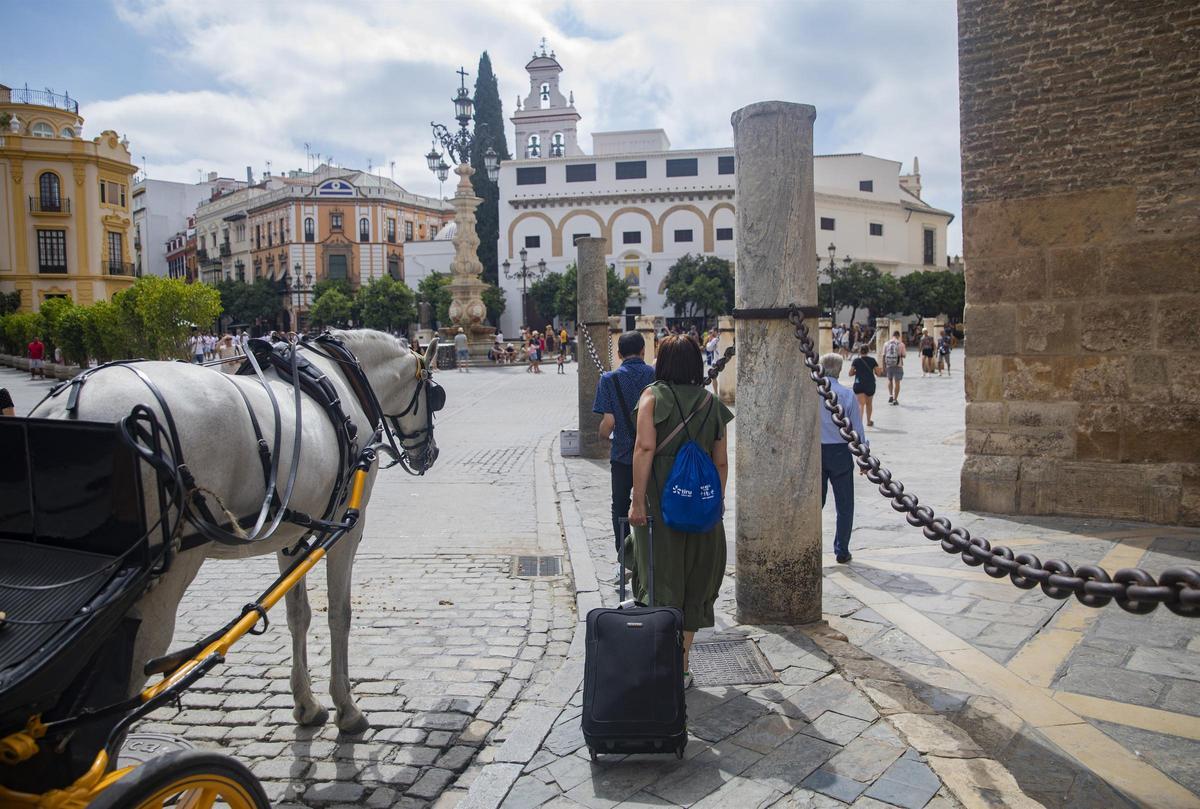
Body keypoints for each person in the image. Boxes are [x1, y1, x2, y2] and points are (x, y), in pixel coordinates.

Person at [627, 335, 733, 689]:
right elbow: (721, 463)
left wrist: (637, 501)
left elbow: (644, 448)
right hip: (701, 508)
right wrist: (714, 502)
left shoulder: (652, 397)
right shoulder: (711, 403)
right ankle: (683, 662)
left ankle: (661, 662)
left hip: (659, 506)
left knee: (660, 578)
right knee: (694, 584)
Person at [593, 331, 659, 560]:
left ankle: (625, 558)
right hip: (652, 456)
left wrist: (602, 435)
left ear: (619, 354)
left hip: (622, 457)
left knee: (620, 507)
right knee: (651, 506)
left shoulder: (609, 379)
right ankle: (650, 555)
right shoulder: (656, 375)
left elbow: (608, 423)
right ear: (643, 351)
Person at [819, 352, 868, 564]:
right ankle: (841, 549)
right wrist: (863, 457)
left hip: (817, 452)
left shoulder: (813, 392)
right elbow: (857, 430)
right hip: (840, 452)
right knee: (845, 505)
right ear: (839, 370)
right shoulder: (847, 395)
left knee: (814, 505)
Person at [849, 345, 879, 427]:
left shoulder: (856, 361)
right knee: (869, 404)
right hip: (870, 384)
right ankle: (868, 421)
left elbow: (850, 373)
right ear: (868, 351)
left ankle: (859, 423)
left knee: (860, 404)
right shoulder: (872, 360)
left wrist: (857, 372)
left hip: (859, 385)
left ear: (859, 351)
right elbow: (878, 373)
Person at [882, 330, 906, 406]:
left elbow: (883, 355)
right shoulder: (901, 344)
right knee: (897, 382)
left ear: (892, 335)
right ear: (898, 336)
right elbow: (904, 355)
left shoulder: (886, 344)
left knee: (889, 380)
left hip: (889, 365)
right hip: (898, 365)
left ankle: (890, 396)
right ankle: (895, 400)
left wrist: (883, 366)